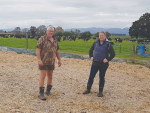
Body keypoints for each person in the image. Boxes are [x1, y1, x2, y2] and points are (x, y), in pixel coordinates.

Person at [83, 31, 115, 97]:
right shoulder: (95, 43)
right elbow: (90, 50)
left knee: (101, 77)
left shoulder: (108, 44)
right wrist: (91, 56)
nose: (101, 37)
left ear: (105, 36)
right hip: (95, 63)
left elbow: (113, 54)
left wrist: (108, 59)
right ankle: (88, 89)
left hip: (103, 64)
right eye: (100, 35)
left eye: (102, 35)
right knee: (91, 76)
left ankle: (100, 91)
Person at [36, 25, 61, 100]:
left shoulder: (55, 40)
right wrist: (39, 60)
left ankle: (48, 91)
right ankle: (41, 93)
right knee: (43, 76)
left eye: (52, 31)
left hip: (52, 61)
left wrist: (59, 59)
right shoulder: (42, 39)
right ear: (46, 31)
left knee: (50, 76)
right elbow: (38, 49)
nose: (51, 32)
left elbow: (57, 50)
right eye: (49, 31)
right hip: (44, 61)